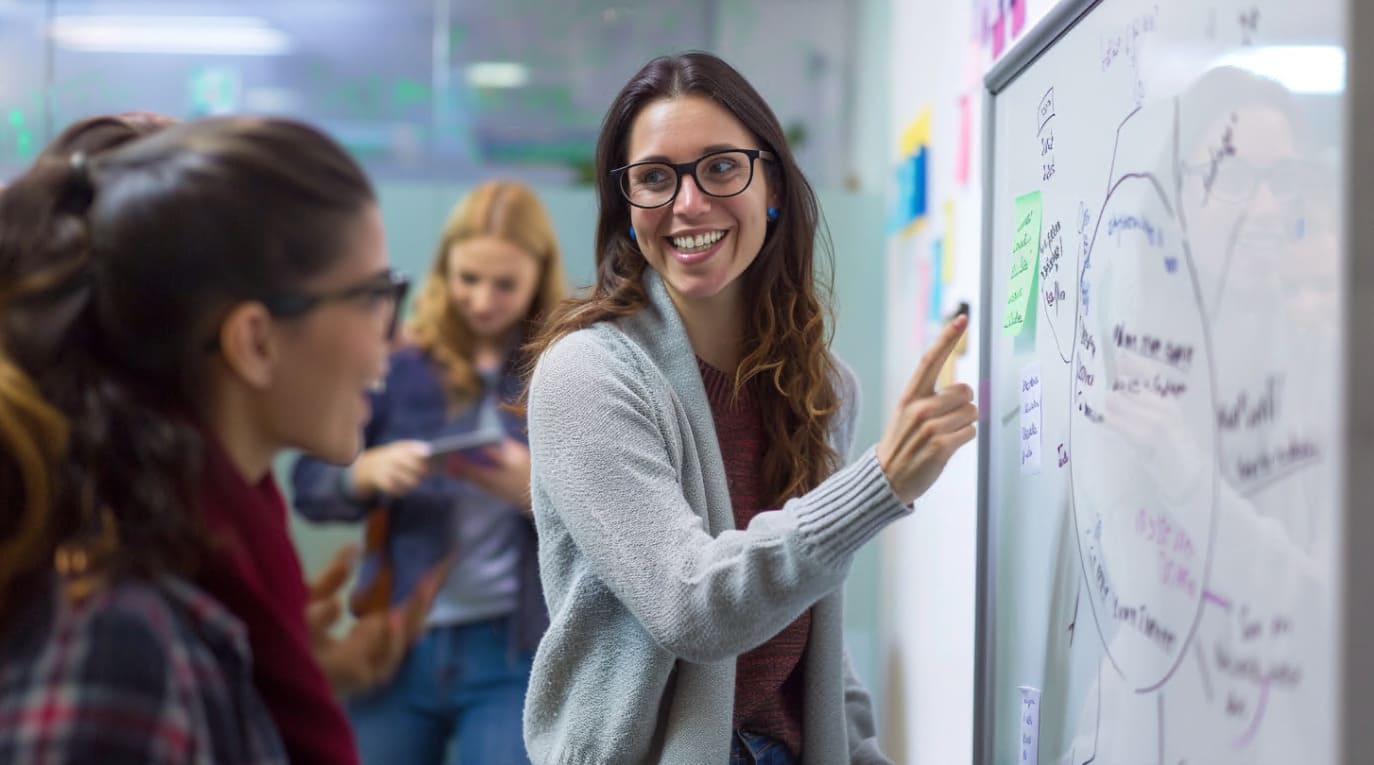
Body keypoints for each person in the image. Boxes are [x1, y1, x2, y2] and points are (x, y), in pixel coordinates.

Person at [521, 51, 977, 765]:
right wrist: (879, 483)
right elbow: (690, 606)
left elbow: (816, 646)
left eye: (721, 167)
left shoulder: (822, 386)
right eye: (654, 178)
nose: (688, 204)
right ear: (627, 205)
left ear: (771, 185)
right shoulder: (588, 374)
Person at [0, 113, 403, 764]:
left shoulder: (208, 566)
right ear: (255, 341)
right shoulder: (116, 640)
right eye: (374, 296)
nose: (393, 337)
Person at [292, 179, 566, 765]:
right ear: (444, 270)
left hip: (515, 646)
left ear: (538, 278)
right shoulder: (397, 363)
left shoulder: (563, 371)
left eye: (504, 284)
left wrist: (536, 491)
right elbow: (311, 486)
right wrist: (363, 472)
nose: (482, 299)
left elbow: (611, 522)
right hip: (395, 638)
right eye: (468, 278)